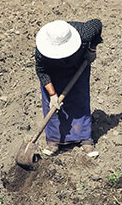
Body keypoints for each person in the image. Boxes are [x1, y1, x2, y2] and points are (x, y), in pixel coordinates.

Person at [34, 19, 102, 156]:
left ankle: (85, 138)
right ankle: (53, 141)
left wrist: (92, 49)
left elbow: (97, 24)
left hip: (77, 65)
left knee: (80, 98)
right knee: (51, 104)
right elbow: (41, 71)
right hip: (52, 71)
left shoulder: (83, 32)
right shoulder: (42, 50)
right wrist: (53, 95)